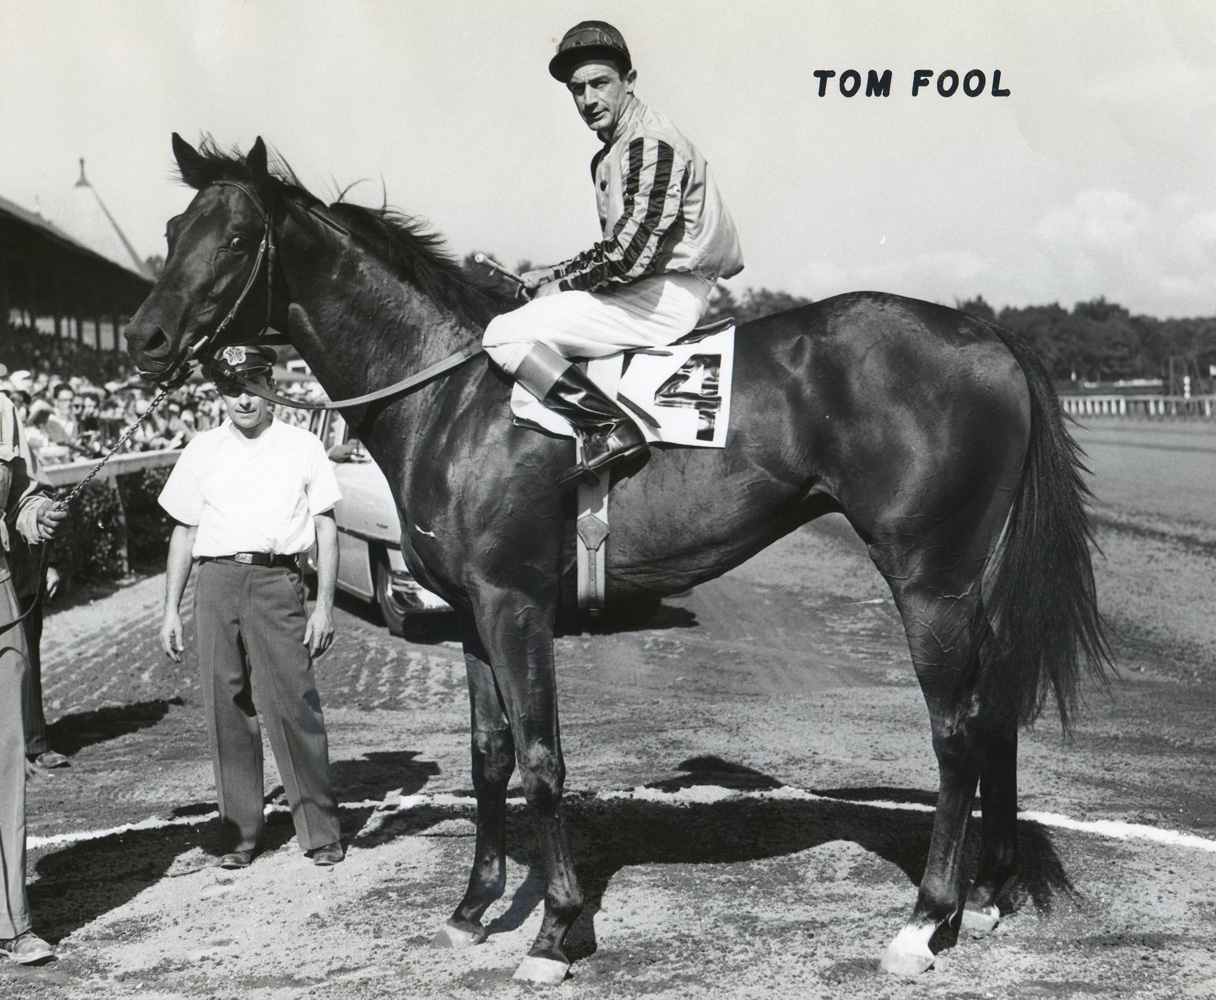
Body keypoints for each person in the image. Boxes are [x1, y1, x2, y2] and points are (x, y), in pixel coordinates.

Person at [482, 20, 744, 486]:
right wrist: (553, 273)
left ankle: (610, 427)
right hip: (652, 287)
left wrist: (559, 283)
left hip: (665, 295)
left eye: (600, 84)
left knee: (504, 334)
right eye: (577, 89)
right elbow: (624, 246)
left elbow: (631, 256)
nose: (588, 100)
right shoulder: (615, 150)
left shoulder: (650, 142)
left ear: (629, 82)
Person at [157, 345, 345, 869]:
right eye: (229, 388)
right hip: (215, 581)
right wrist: (170, 608)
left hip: (275, 580)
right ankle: (241, 834)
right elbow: (184, 530)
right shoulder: (202, 448)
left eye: (251, 386)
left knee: (292, 701)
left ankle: (320, 830)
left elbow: (326, 528)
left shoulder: (303, 446)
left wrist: (324, 606)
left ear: (270, 387)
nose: (241, 400)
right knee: (226, 707)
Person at [0, 388, 69, 964]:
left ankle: (12, 923)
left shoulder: (1, 408)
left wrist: (35, 514)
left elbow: (20, 493)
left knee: (3, 760)